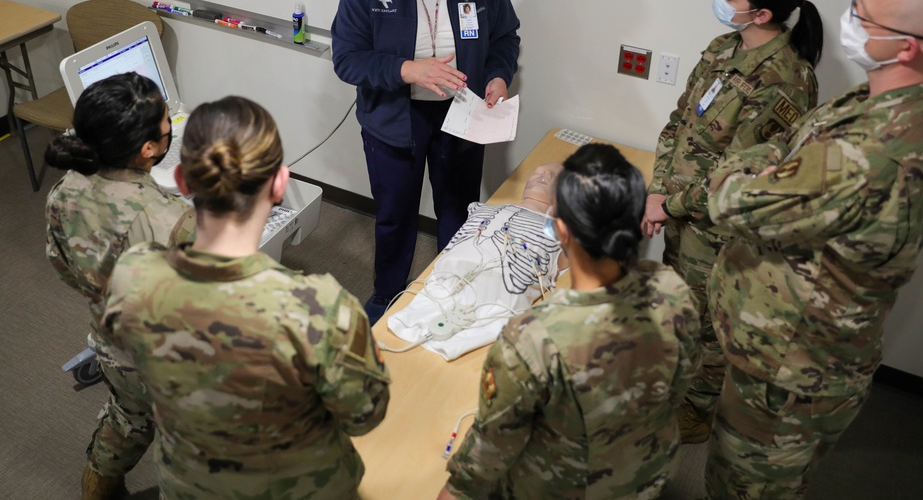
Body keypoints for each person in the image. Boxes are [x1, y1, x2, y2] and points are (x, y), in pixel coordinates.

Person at [700, 0, 923, 498]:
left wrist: (745, 166)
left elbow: (730, 199)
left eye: (864, 13)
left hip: (787, 375)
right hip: (781, 347)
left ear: (907, 46)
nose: (847, 16)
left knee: (740, 487)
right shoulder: (881, 100)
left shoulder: (870, 155)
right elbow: (787, 147)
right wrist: (770, 161)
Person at [102, 96, 390, 498]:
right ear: (279, 184)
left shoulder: (134, 273)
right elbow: (364, 415)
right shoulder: (321, 308)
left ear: (182, 181)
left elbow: (126, 350)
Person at [437, 143, 700, 499]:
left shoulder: (532, 338)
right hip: (644, 475)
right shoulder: (674, 291)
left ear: (560, 231)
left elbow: (488, 455)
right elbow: (678, 386)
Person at [331, 0, 521, 324]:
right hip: (395, 118)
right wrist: (408, 70)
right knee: (395, 215)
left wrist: (498, 75)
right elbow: (347, 57)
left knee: (458, 210)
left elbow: (504, 35)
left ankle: (450, 294)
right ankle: (387, 295)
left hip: (462, 112)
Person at [642, 0, 823, 442]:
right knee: (681, 306)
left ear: (761, 13)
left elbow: (742, 179)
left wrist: (670, 204)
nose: (719, 0)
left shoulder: (784, 81)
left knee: (711, 326)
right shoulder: (724, 48)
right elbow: (680, 123)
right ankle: (672, 385)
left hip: (720, 231)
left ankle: (697, 410)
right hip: (679, 211)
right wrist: (658, 189)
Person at [44, 72, 195, 500]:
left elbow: (62, 265)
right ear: (149, 149)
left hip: (112, 342)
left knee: (127, 420)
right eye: (168, 127)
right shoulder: (172, 219)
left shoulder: (65, 188)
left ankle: (98, 489)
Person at [387, 163, 568, 360]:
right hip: (444, 284)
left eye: (553, 177)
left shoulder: (560, 234)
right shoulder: (481, 209)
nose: (544, 175)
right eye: (539, 171)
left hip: (499, 304)